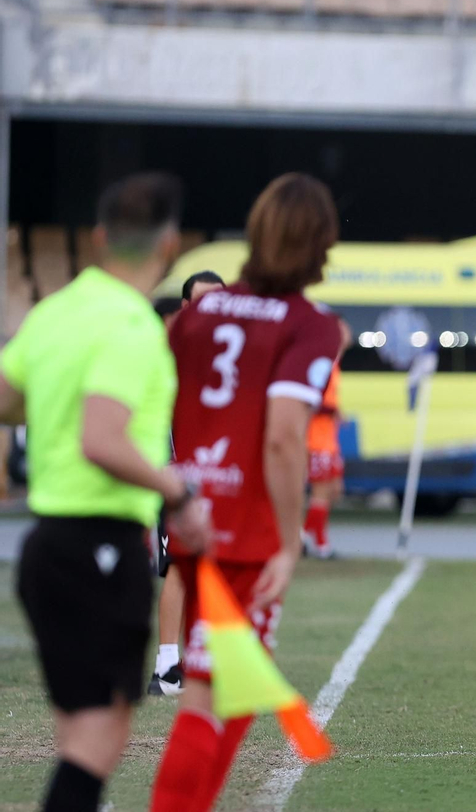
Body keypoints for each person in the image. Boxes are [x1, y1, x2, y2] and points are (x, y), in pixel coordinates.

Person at [6, 173, 209, 812]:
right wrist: (177, 491)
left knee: (82, 730)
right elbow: (103, 438)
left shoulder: (56, 311)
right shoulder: (132, 325)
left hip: (46, 547)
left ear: (99, 237)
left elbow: (9, 400)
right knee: (98, 735)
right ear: (170, 244)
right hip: (100, 545)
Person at [150, 173, 343, 812]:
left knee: (221, 688)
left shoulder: (199, 313)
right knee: (217, 693)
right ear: (319, 244)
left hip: (196, 519)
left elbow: (162, 402)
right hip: (249, 536)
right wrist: (288, 545)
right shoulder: (309, 325)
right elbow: (285, 438)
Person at [149, 269, 227, 698]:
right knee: (178, 566)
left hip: (222, 478)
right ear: (185, 307)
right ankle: (167, 668)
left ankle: (207, 657)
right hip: (179, 477)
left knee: (220, 564)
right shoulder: (170, 350)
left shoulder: (230, 349)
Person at [304, 315, 352, 559]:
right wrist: (333, 411)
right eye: (342, 330)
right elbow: (311, 401)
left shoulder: (333, 364)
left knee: (334, 490)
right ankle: (319, 544)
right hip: (317, 440)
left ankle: (303, 536)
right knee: (321, 493)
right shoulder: (322, 364)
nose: (347, 335)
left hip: (328, 440)